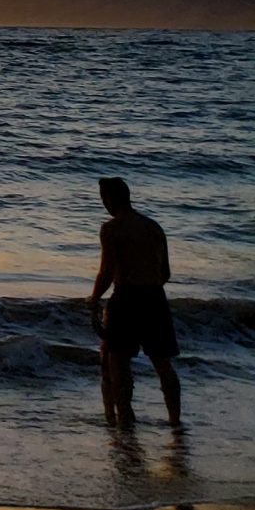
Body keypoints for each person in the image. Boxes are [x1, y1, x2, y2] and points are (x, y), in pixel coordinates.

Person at [90, 176, 182, 427]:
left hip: (127, 297)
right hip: (155, 298)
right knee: (163, 364)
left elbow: (106, 272)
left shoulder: (111, 229)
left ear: (110, 199)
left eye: (104, 199)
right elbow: (165, 273)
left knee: (118, 361)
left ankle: (125, 419)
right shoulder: (153, 227)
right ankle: (175, 422)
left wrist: (94, 299)